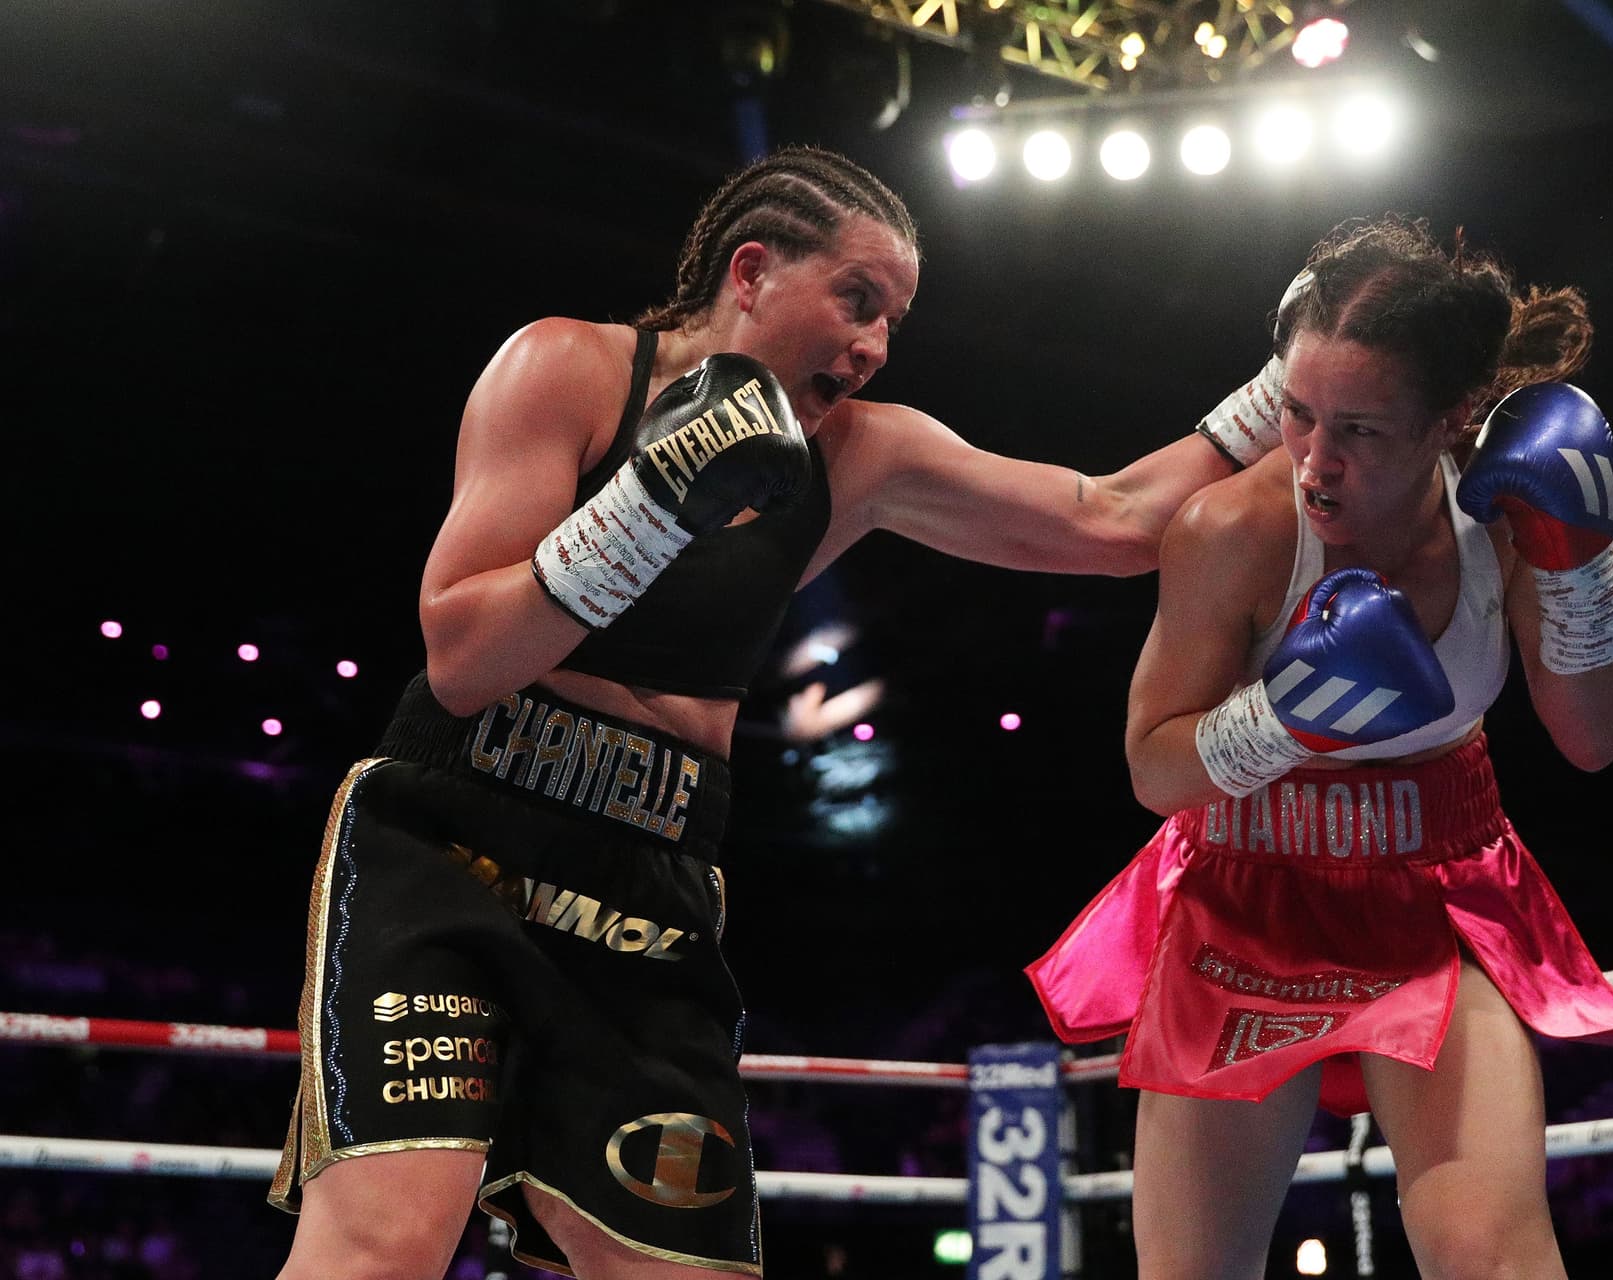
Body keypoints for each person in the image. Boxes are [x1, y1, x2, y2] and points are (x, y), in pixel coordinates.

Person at [267, 144, 1260, 1280]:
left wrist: (1299, 387)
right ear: (751, 271)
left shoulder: (862, 452)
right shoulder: (568, 368)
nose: (874, 344)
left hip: (649, 881)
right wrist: (647, 508)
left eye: (892, 320)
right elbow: (459, 660)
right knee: (386, 1242)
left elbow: (1114, 518)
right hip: (453, 843)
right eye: (857, 298)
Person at [1026, 214, 1613, 1280]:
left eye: (1359, 429)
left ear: (1452, 419)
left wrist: (1583, 557)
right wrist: (1286, 716)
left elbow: (1594, 738)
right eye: (1298, 413)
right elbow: (1152, 766)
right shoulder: (1233, 532)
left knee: (1494, 1258)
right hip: (1245, 898)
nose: (1316, 462)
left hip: (1440, 890)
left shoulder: (1502, 514)